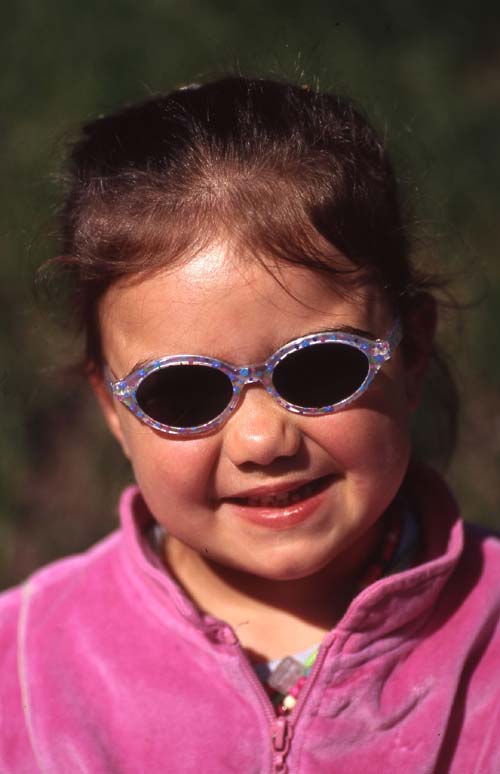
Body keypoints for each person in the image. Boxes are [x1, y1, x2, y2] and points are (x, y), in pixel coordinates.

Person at [1, 76, 499, 774]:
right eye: (182, 392)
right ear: (113, 409)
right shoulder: (22, 671)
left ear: (412, 352)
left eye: (320, 368)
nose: (263, 441)